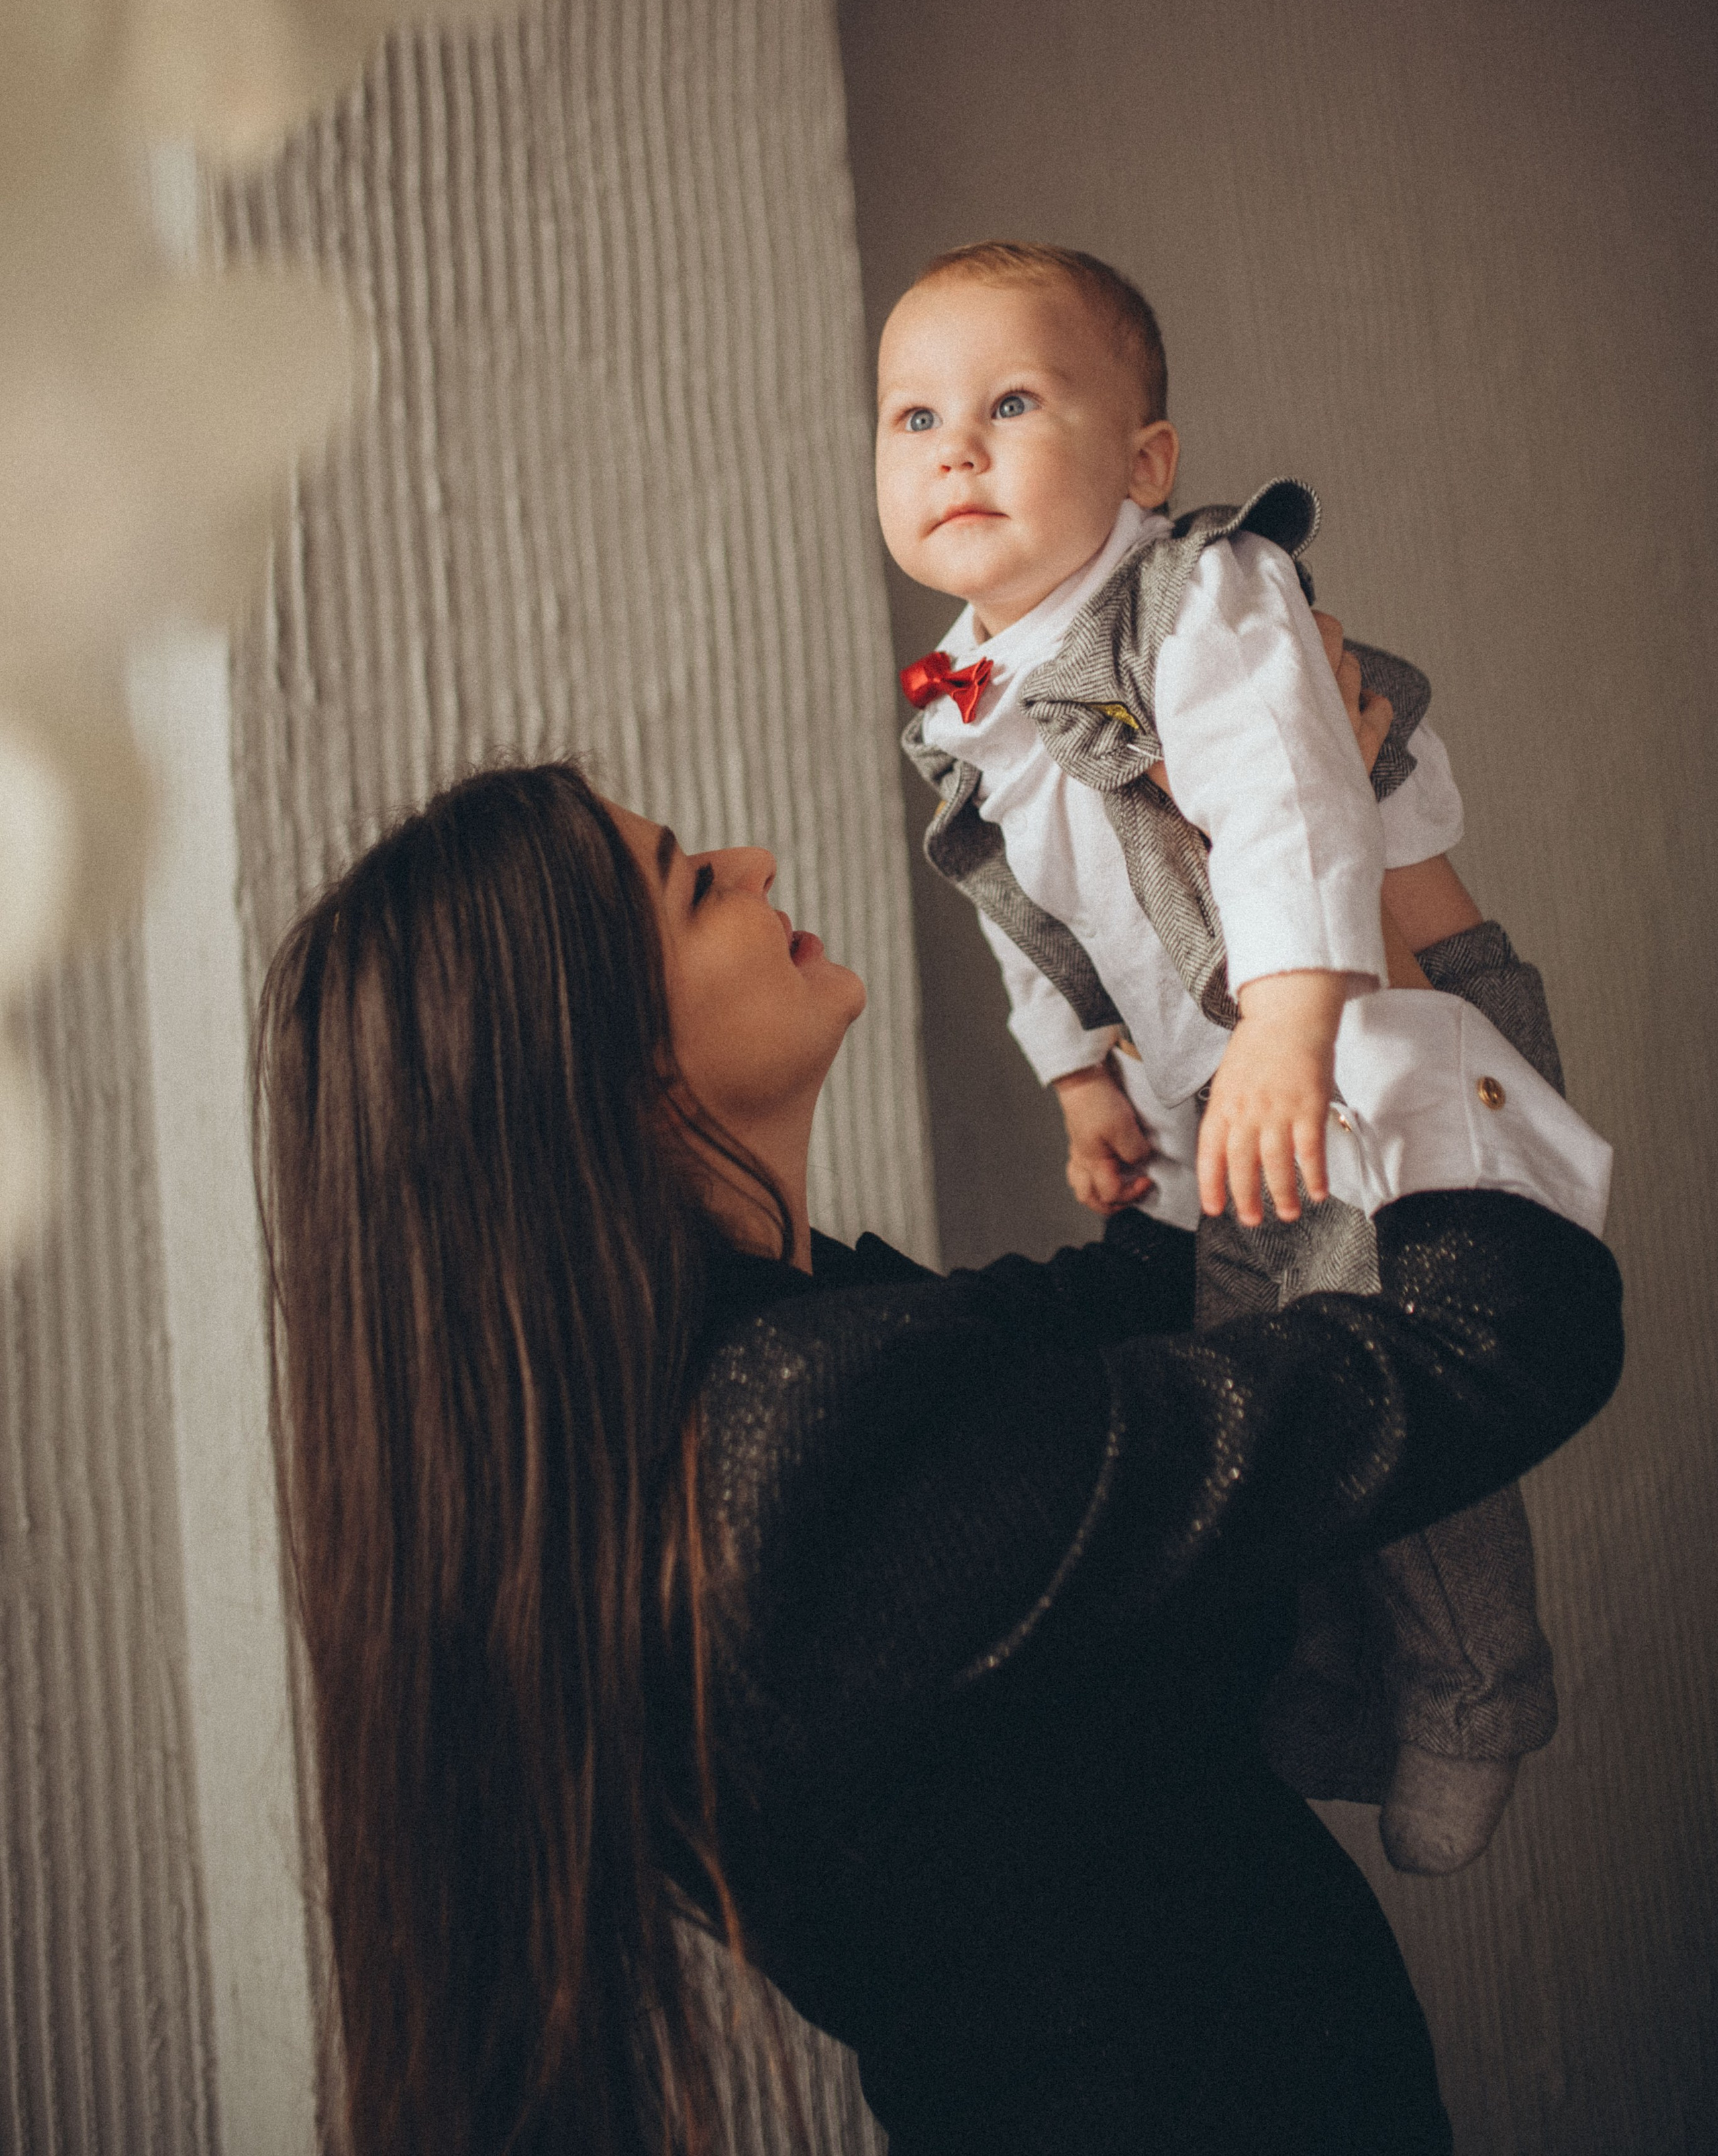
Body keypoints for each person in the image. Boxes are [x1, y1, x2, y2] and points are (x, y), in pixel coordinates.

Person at [256, 754, 1623, 2156]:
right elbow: (1494, 1340)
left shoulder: (764, 1379)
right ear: (603, 1059)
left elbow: (1183, 1295)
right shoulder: (797, 1450)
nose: (756, 862)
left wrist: (1203, 855)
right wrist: (1351, 877)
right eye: (690, 884)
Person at [876, 240, 1608, 1873]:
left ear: (1142, 464)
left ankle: (1478, 1683)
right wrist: (1077, 1076)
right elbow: (1019, 907)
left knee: (1386, 1360)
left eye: (1008, 402)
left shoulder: (1197, 593)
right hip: (1235, 1071)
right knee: (1270, 1382)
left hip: (1370, 1019)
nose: (954, 449)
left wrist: (1292, 1023)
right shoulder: (964, 699)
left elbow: (1290, 795)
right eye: (910, 417)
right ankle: (1356, 1679)